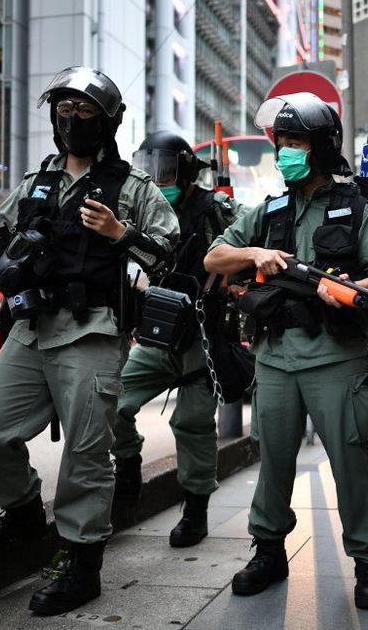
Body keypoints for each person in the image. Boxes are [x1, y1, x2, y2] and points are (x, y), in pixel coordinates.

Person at [0, 66, 180, 615]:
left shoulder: (131, 188)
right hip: (30, 330)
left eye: (85, 111)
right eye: (65, 109)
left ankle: (81, 561)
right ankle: (24, 512)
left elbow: (169, 251)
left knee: (86, 451)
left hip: (93, 331)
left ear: (109, 122)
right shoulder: (38, 181)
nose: (72, 119)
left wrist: (120, 234)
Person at [204, 92, 368, 610]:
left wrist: (348, 289)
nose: (286, 151)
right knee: (272, 460)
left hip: (336, 358)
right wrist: (255, 252)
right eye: (282, 142)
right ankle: (268, 550)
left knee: (349, 459)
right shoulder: (266, 211)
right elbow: (214, 257)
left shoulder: (356, 206)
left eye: (296, 142)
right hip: (274, 358)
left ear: (321, 148)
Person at [110, 131, 242, 545]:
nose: (157, 176)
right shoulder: (139, 208)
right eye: (149, 166)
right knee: (111, 401)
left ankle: (196, 509)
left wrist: (231, 272)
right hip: (154, 335)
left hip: (202, 334)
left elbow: (254, 234)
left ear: (185, 170)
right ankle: (128, 470)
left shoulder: (214, 208)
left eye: (165, 167)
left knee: (192, 424)